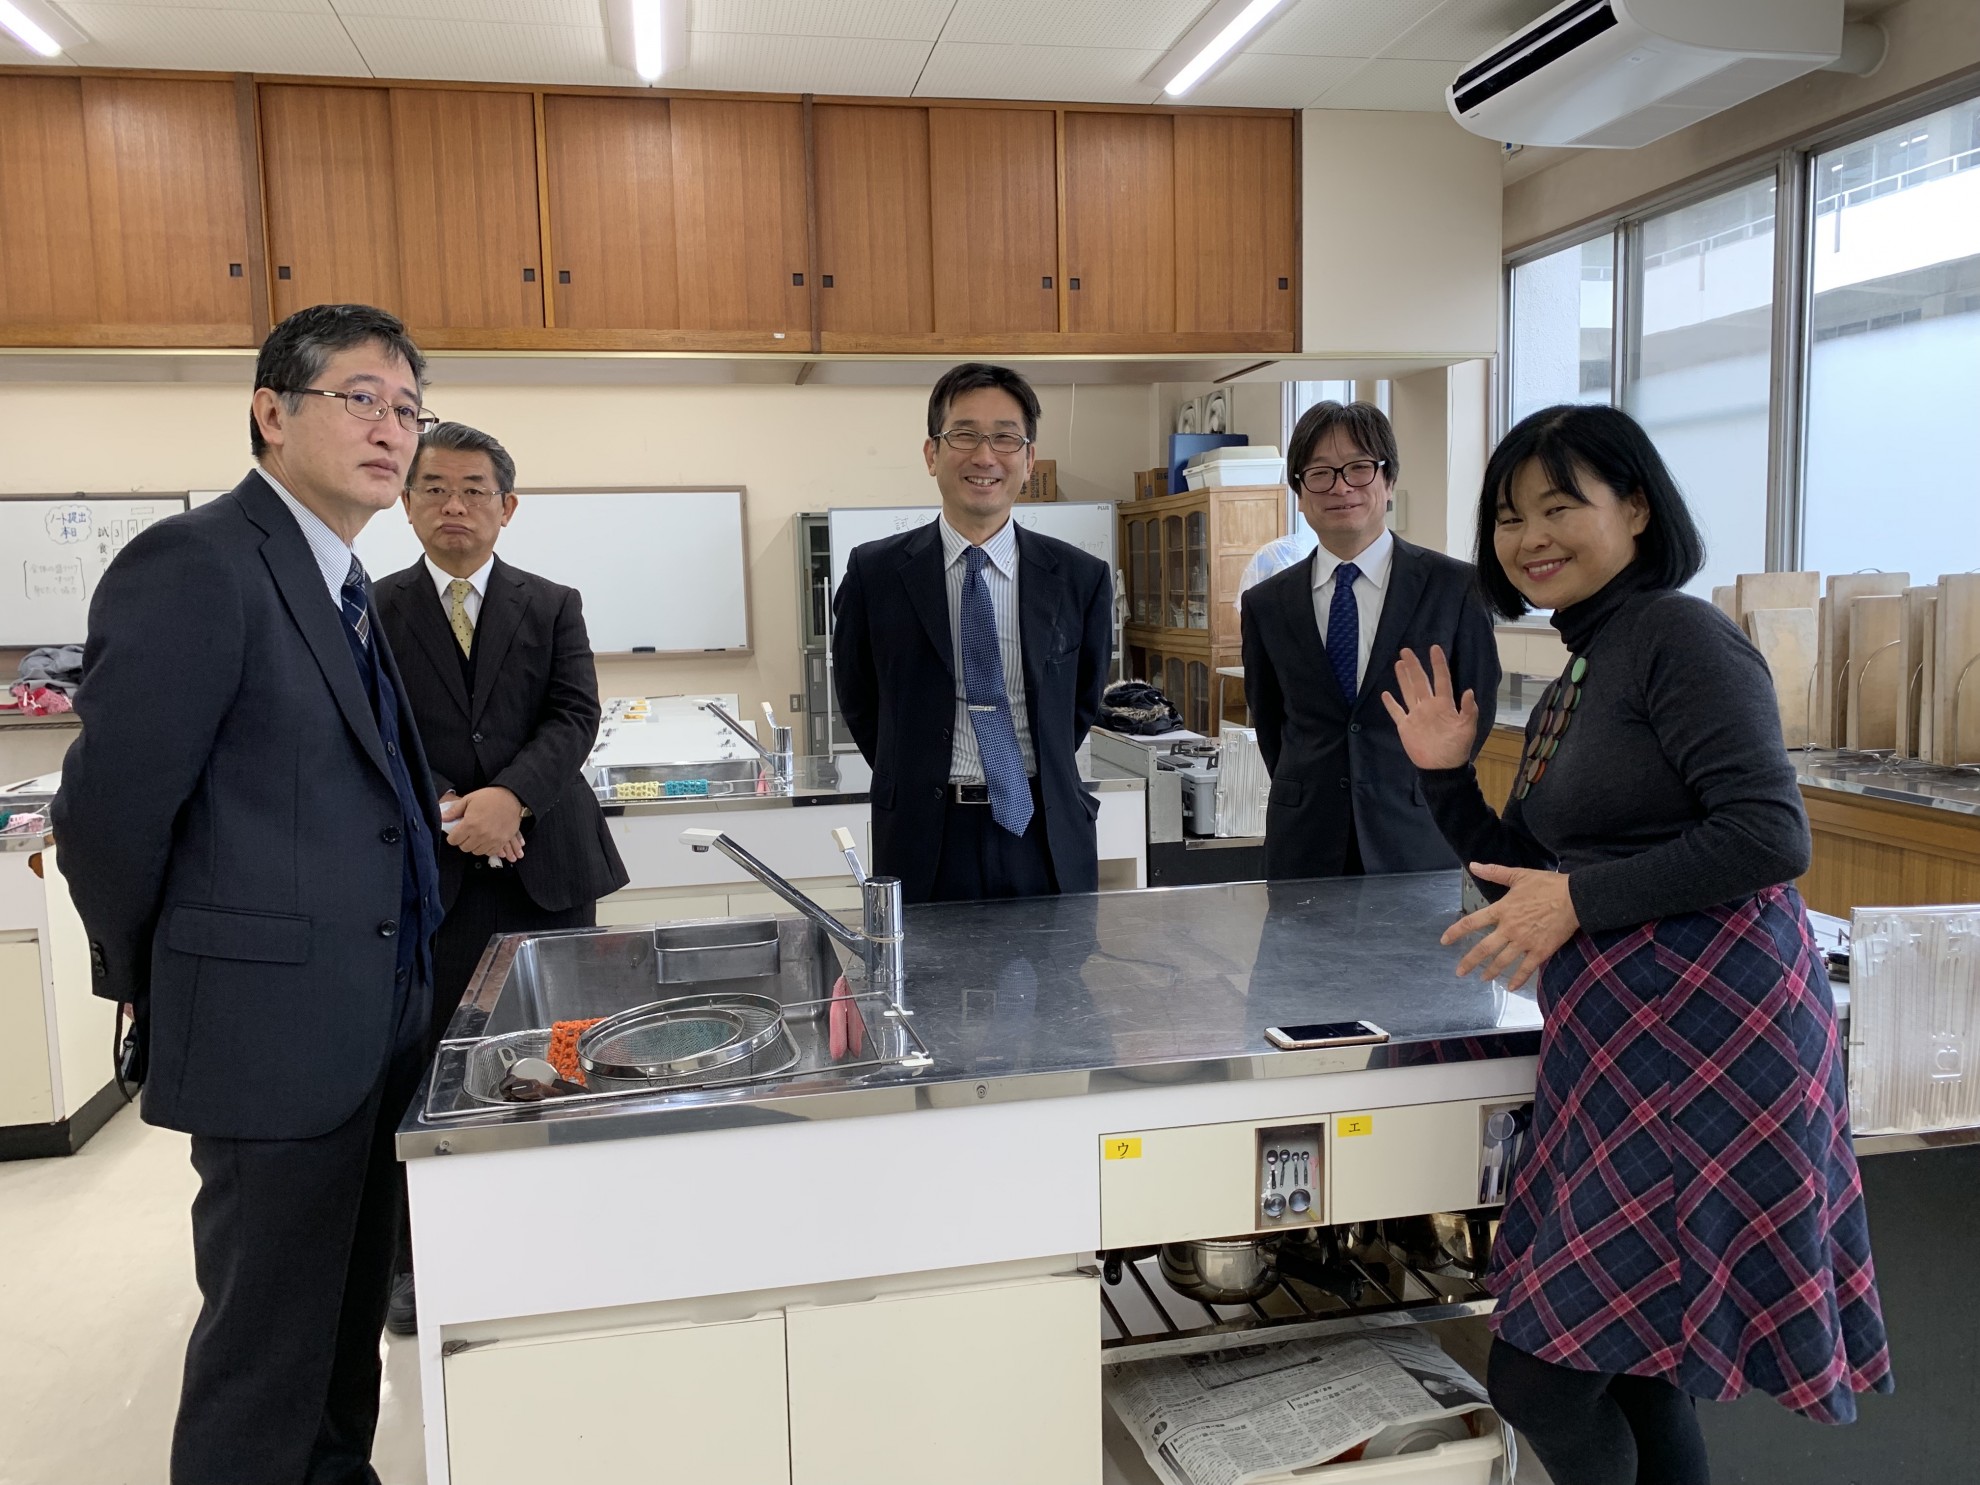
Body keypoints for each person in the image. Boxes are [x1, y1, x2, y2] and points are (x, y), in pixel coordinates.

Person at [1383, 404, 1891, 1485]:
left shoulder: (1680, 635)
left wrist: (1581, 899)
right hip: (1624, 1045)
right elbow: (1529, 871)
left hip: (1712, 1046)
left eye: (1559, 506)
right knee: (1640, 1365)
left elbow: (1770, 834)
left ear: (1638, 509)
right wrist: (1443, 775)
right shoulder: (1585, 663)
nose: (1531, 536)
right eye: (1509, 516)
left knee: (1542, 1380)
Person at [53, 303, 446, 1485]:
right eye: (360, 399)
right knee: (264, 1355)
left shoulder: (344, 582)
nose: (392, 430)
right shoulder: (200, 563)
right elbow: (110, 815)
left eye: (408, 409)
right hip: (270, 1029)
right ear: (272, 412)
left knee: (340, 1329)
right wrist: (165, 978)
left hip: (371, 1018)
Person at [373, 420, 628, 1332]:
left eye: (474, 489)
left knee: (560, 1056)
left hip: (546, 867)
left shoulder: (552, 603)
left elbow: (574, 715)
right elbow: (376, 727)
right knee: (429, 1068)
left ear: (507, 506)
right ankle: (419, 1261)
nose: (455, 505)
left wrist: (509, 799)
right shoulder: (371, 607)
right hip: (431, 877)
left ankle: (558, 1237)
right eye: (434, 488)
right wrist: (455, 807)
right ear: (406, 504)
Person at [832, 363, 1112, 904]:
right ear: (931, 454)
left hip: (1044, 832)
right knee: (922, 963)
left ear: (1029, 460)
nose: (985, 456)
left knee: (1058, 962)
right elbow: (860, 701)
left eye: (1006, 438)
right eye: (964, 435)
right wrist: (916, 776)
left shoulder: (1080, 578)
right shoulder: (875, 574)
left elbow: (1080, 703)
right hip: (923, 836)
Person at [1241, 400, 1499, 879]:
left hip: (1417, 830)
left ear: (1389, 480)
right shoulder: (1266, 603)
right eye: (1320, 473)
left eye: (1359, 468)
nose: (1341, 487)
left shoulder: (1456, 588)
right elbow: (1270, 722)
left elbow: (1475, 708)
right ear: (1300, 493)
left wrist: (1431, 781)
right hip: (1304, 839)